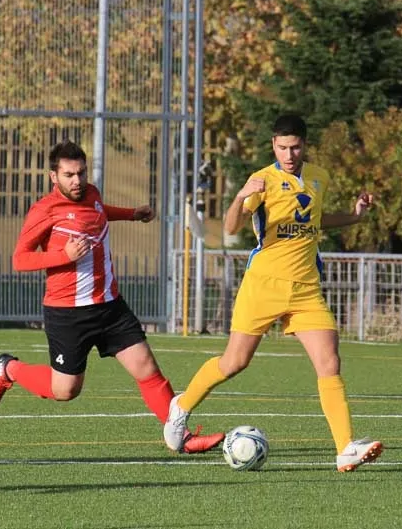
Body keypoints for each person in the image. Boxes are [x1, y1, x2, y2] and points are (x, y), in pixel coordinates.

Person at [162, 113, 384, 472]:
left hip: (306, 289)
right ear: (273, 146)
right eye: (282, 147)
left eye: (295, 147)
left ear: (305, 145)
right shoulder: (261, 180)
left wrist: (355, 216)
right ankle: (181, 408)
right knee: (234, 362)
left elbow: (314, 218)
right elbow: (233, 226)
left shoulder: (319, 177)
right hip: (263, 285)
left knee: (329, 361)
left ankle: (345, 447)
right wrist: (240, 197)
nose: (289, 154)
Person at [0, 140, 224, 454]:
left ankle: (181, 436)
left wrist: (131, 214)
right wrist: (64, 256)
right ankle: (10, 368)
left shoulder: (92, 193)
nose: (77, 181)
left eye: (81, 173)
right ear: (53, 177)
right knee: (66, 390)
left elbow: (97, 212)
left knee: (147, 368)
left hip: (110, 305)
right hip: (68, 313)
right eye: (69, 174)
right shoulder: (44, 210)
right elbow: (20, 259)